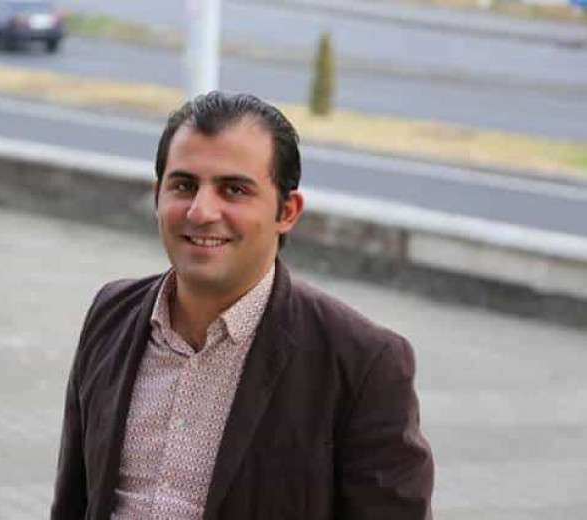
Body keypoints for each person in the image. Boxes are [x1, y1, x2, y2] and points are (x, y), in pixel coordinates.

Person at [50, 91, 434, 519]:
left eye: (233, 190)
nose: (201, 211)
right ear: (158, 196)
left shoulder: (362, 363)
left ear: (287, 211)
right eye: (184, 186)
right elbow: (72, 502)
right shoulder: (111, 313)